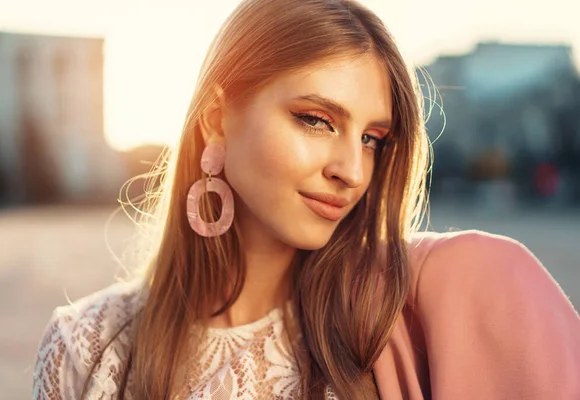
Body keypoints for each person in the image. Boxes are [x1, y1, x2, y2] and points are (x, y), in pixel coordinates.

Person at [32, 0, 580, 398]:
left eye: (372, 139)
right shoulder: (88, 347)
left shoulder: (399, 323)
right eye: (316, 120)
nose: (352, 170)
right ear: (216, 117)